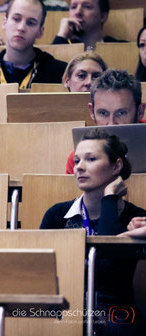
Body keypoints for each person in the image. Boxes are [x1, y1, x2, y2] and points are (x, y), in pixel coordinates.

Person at [41, 129, 146, 335]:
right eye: (78, 160)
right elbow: (39, 272)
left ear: (116, 166)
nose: (79, 167)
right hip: (66, 308)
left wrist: (109, 198)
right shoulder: (57, 215)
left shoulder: (136, 218)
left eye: (91, 159)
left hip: (117, 313)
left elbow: (107, 255)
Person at [0, 0, 66, 87]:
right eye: (16, 19)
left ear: (40, 32)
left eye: (30, 23)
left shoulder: (60, 74)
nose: (21, 28)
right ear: (4, 23)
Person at [65, 69, 146, 173]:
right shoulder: (79, 160)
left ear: (140, 112)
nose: (111, 123)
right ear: (91, 112)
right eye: (103, 113)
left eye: (121, 113)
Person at [53, 0, 124, 50]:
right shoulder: (64, 46)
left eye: (87, 7)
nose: (78, 12)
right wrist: (61, 36)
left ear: (103, 16)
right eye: (73, 7)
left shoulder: (121, 48)